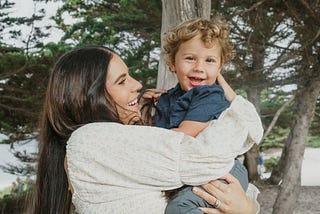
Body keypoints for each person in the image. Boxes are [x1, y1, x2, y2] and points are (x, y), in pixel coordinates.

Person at [27, 46, 262, 214]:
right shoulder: (88, 140)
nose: (137, 85)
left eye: (129, 76)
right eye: (122, 81)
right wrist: (238, 110)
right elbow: (205, 157)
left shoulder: (113, 141)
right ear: (90, 97)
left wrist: (248, 209)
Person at [153, 17, 255, 214]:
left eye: (209, 60)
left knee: (180, 208)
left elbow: (182, 136)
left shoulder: (209, 95)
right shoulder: (168, 98)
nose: (199, 67)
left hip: (222, 171)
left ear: (220, 67)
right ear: (172, 63)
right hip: (196, 171)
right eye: (190, 58)